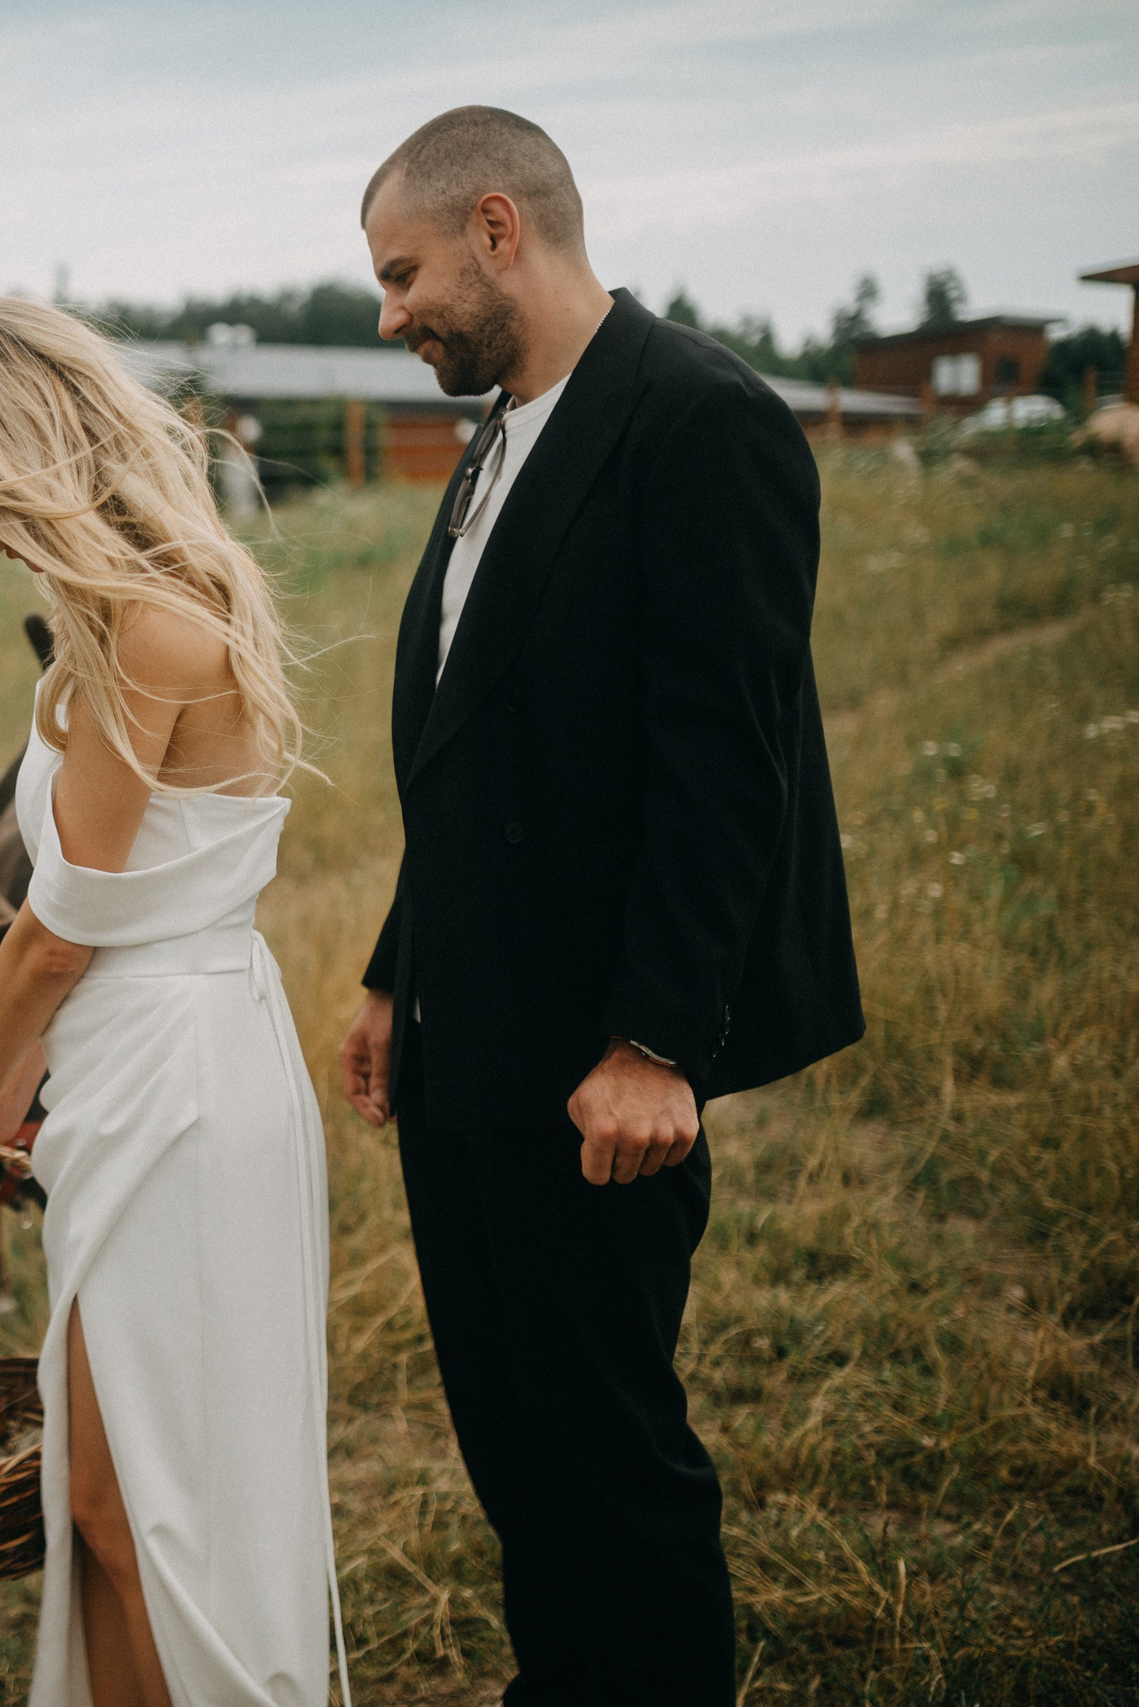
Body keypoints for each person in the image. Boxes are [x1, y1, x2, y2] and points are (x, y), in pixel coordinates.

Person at [335, 107, 864, 1706]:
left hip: (593, 1068)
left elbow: (730, 769)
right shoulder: (503, 427)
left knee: (609, 1451)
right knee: (513, 1436)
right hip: (463, 1040)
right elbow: (475, 743)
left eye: (402, 272)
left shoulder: (701, 422)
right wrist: (391, 974)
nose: (389, 314)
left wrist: (654, 1044)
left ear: (500, 229)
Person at [0, 295, 347, 1707]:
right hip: (139, 1064)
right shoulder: (120, 615)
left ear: (8, 462)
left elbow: (59, 934)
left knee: (154, 1517)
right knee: (104, 1502)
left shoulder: (150, 629)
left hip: (180, 1078)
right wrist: (31, 1080)